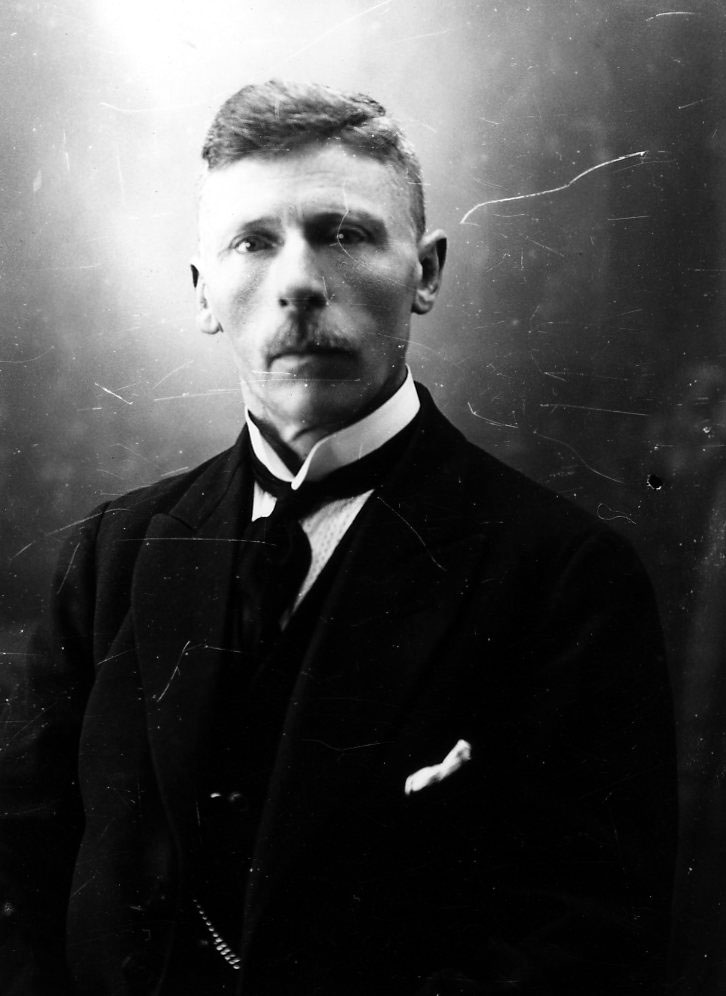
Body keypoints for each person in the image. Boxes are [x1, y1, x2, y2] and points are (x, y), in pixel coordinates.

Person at [0, 80, 677, 995]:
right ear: (202, 293)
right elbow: (19, 890)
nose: (299, 284)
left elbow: (587, 947)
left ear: (426, 272)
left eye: (344, 233)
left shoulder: (564, 577)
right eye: (253, 242)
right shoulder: (112, 555)